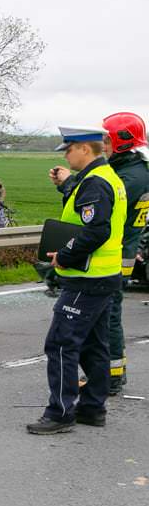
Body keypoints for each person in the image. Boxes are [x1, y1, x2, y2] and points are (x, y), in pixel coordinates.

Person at [28, 126, 125, 434]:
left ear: (85, 149)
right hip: (104, 276)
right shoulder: (106, 177)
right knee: (94, 346)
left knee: (60, 344)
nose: (66, 155)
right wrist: (67, 184)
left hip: (87, 278)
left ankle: (60, 412)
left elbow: (96, 230)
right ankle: (93, 407)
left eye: (68, 149)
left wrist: (65, 256)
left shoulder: (95, 183)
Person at [100, 112, 149, 394]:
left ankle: (113, 376)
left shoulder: (129, 178)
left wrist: (71, 185)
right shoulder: (138, 170)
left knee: (109, 316)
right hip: (125, 252)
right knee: (106, 314)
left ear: (121, 141)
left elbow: (106, 206)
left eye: (106, 139)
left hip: (117, 256)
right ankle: (110, 373)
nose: (102, 145)